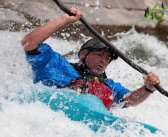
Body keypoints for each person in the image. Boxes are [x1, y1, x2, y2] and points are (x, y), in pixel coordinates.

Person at [21, 8, 160, 110]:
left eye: (107, 58)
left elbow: (129, 100)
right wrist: (63, 20)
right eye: (99, 54)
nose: (103, 61)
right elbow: (29, 43)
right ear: (83, 54)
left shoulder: (109, 86)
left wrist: (148, 88)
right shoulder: (57, 66)